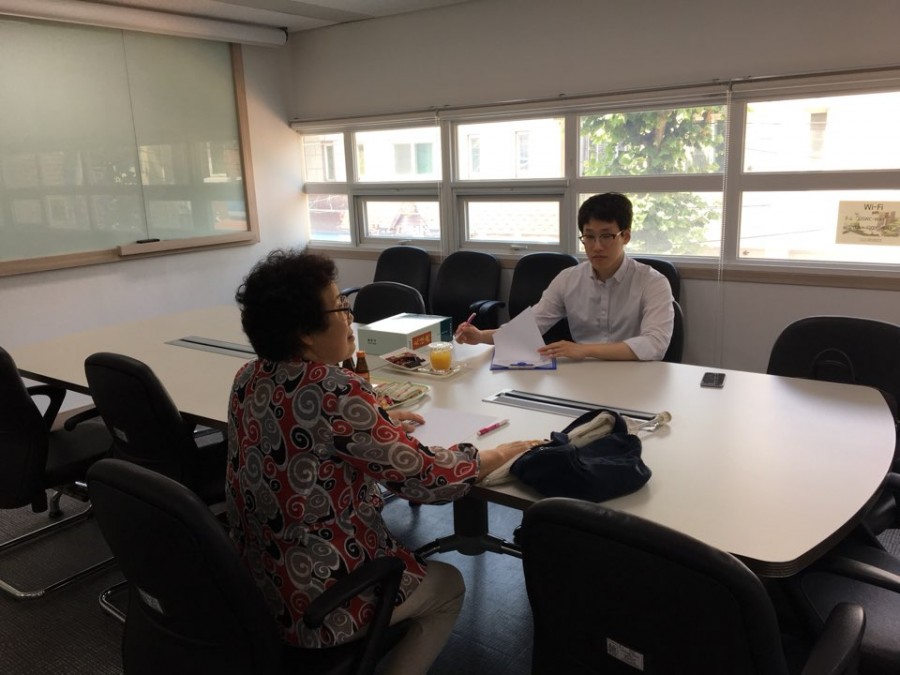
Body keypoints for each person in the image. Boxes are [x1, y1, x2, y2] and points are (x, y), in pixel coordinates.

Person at [226, 248, 536, 675]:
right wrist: (493, 454)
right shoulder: (335, 388)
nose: (350, 316)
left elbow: (308, 433)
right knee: (449, 586)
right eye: (340, 306)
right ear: (304, 333)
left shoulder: (249, 376)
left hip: (252, 583)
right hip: (315, 598)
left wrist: (377, 423)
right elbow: (427, 481)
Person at [457, 192, 674, 361]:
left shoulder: (653, 282)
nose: (597, 246)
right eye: (589, 237)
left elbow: (655, 344)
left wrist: (585, 350)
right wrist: (481, 336)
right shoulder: (568, 279)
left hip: (635, 373)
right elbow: (531, 325)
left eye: (606, 236)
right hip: (584, 375)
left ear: (625, 236)